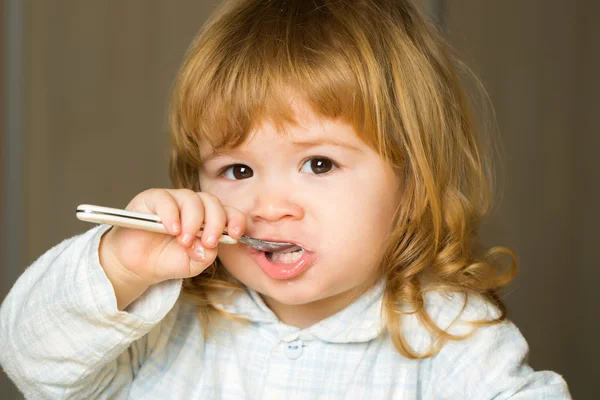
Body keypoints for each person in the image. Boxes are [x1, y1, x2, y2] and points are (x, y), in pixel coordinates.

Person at [0, 0, 571, 398]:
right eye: (238, 168)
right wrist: (121, 266)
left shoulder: (453, 336)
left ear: (409, 183)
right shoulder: (163, 318)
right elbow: (29, 361)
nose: (270, 205)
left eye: (319, 163)